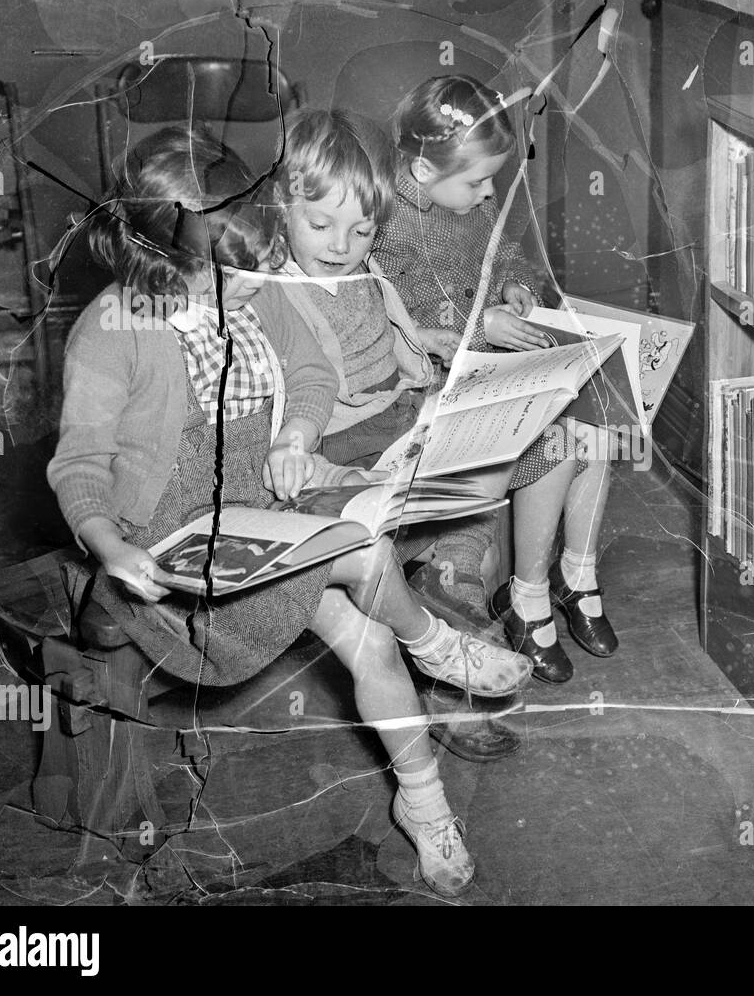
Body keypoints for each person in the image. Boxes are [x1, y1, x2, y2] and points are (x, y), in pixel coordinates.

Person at [46, 127, 531, 897]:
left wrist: (298, 435)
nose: (257, 282)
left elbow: (309, 372)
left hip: (259, 509)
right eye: (234, 274)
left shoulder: (251, 281)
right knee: (367, 555)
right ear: (161, 263)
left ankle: (425, 804)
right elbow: (79, 466)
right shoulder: (113, 330)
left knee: (369, 637)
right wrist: (109, 545)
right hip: (168, 545)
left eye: (259, 262)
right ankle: (436, 642)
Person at [268, 106, 523, 761]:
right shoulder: (275, 289)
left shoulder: (360, 270)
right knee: (454, 520)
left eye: (360, 230)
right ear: (281, 207)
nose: (340, 244)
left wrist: (434, 347)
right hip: (345, 441)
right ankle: (446, 668)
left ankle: (449, 602)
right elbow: (300, 393)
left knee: (476, 517)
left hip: (399, 408)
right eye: (321, 225)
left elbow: (388, 333)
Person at [373, 74, 619, 684]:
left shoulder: (463, 203)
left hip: (484, 369)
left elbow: (503, 251)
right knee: (559, 440)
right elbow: (393, 314)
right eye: (479, 181)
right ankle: (528, 597)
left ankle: (577, 572)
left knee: (604, 419)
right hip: (427, 389)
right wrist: (483, 323)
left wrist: (516, 286)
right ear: (425, 170)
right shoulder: (384, 221)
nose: (489, 194)